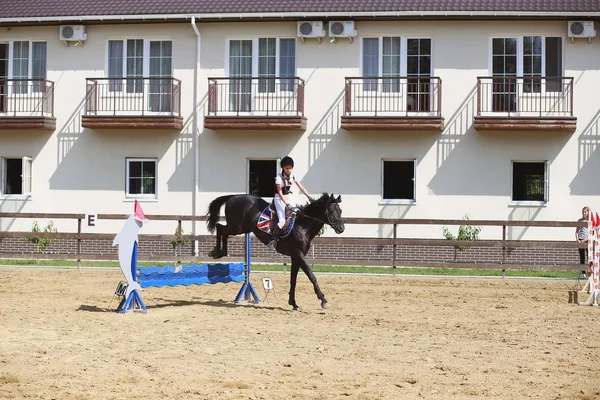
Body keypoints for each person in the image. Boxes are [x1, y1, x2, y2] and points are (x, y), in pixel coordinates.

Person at [268, 156, 313, 250]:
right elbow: (280, 192)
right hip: (279, 199)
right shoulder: (278, 178)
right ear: (283, 168)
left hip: (287, 198)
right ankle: (273, 241)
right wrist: (287, 204)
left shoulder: (293, 177)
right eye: (286, 168)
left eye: (290, 168)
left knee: (297, 213)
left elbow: (301, 187)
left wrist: (309, 196)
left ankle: (293, 237)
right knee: (282, 221)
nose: (288, 170)